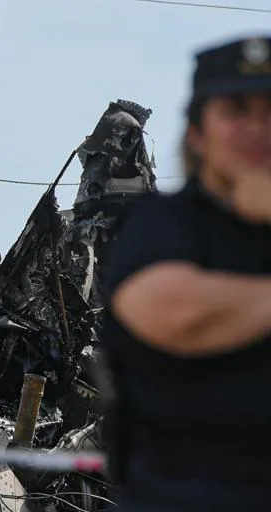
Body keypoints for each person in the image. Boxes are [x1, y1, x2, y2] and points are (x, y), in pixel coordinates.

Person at [100, 34, 271, 511]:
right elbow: (181, 314)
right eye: (236, 110)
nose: (258, 128)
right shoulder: (161, 226)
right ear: (197, 132)